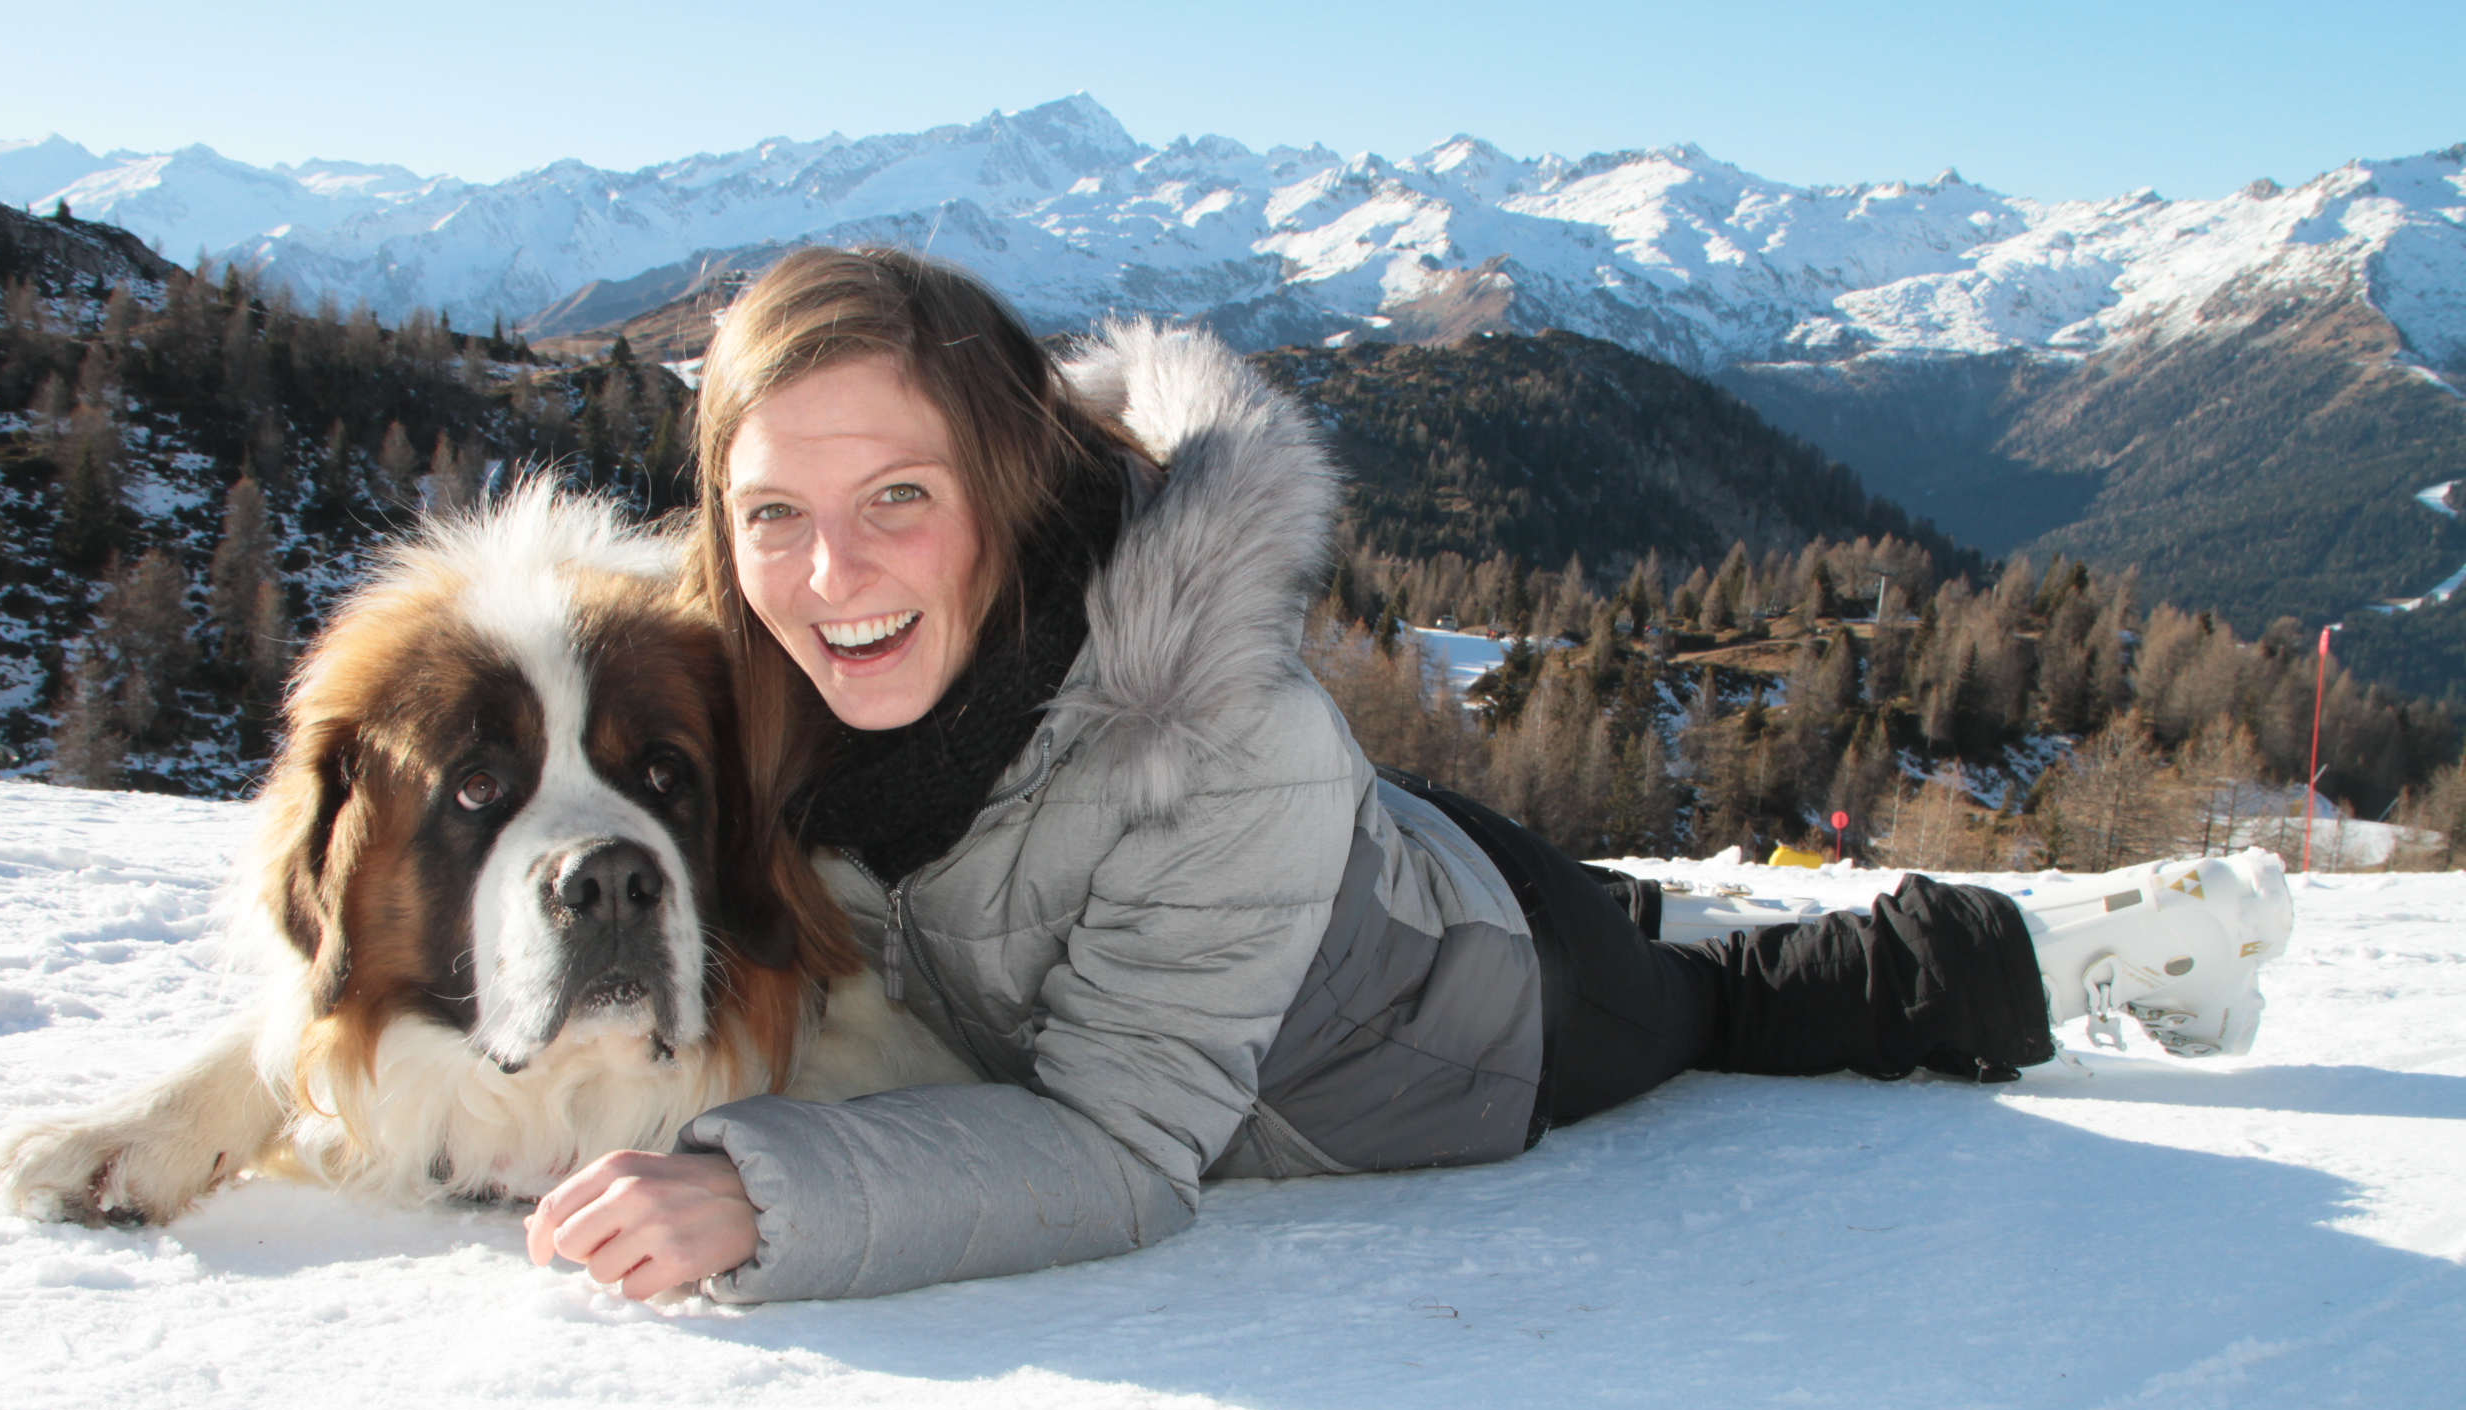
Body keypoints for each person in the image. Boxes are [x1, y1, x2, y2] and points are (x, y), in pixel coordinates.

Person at [525, 247, 2292, 1305]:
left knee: (1725, 990)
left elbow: (1127, 1149)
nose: (831, 574)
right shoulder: (748, 684)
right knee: (1663, 897)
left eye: (896, 498)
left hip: (1445, 1025)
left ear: (1009, 484)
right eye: (776, 515)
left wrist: (774, 1193)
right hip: (1372, 855)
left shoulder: (1210, 733)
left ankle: (2063, 952)